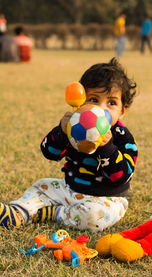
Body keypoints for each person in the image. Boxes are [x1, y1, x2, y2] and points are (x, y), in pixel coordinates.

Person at [0, 58, 138, 232]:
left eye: (111, 103)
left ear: (122, 111)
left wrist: (107, 147)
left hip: (106, 199)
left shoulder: (123, 137)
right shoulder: (74, 126)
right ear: (80, 101)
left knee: (94, 218)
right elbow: (49, 152)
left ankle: (54, 213)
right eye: (94, 100)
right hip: (68, 188)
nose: (100, 110)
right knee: (41, 186)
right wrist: (61, 132)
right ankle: (18, 212)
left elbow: (122, 177)